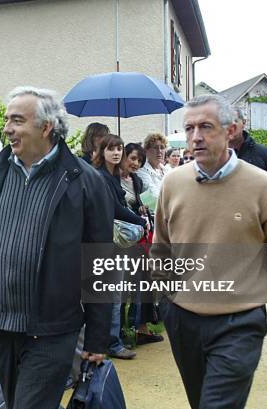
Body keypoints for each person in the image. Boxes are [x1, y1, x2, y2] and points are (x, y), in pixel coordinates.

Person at [0, 86, 113, 409]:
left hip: (53, 327)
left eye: (17, 120)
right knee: (13, 400)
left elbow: (100, 262)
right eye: (8, 119)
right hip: (2, 325)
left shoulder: (83, 180)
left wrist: (98, 336)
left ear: (46, 127)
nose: (7, 128)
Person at [152, 94, 267, 409]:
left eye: (206, 127)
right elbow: (162, 246)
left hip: (239, 324)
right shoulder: (173, 183)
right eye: (190, 128)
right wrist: (164, 298)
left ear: (231, 130)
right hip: (183, 319)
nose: (196, 136)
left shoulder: (264, 187)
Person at [93, 134, 147, 360]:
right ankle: (112, 343)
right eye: (111, 149)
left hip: (113, 241)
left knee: (114, 294)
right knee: (111, 295)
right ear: (102, 151)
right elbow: (113, 208)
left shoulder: (114, 176)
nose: (116, 153)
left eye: (119, 149)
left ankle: (110, 340)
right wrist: (139, 221)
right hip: (105, 242)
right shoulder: (101, 176)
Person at [120, 143, 163, 345]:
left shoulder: (136, 180)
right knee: (122, 288)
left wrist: (143, 208)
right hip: (121, 239)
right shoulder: (111, 180)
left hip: (139, 237)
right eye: (132, 158)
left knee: (142, 282)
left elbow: (145, 202)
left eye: (139, 160)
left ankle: (141, 327)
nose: (135, 163)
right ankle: (120, 330)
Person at [136, 133, 169, 199]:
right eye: (155, 148)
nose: (159, 151)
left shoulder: (166, 169)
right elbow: (152, 194)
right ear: (146, 150)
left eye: (162, 148)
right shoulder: (141, 170)